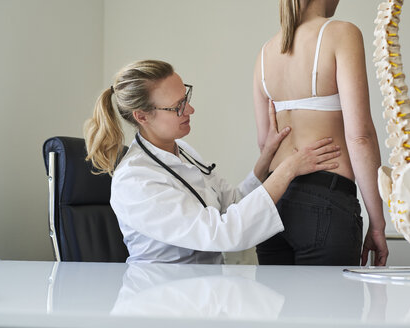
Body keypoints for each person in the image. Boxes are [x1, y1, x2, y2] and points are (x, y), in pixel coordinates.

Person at [83, 59, 341, 264]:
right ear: (142, 116)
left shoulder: (181, 150)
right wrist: (289, 169)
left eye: (187, 98)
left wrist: (266, 160)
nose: (190, 110)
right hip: (163, 298)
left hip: (202, 289)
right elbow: (223, 232)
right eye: (177, 107)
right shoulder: (135, 180)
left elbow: (233, 203)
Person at [253, 0, 388, 266]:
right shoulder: (341, 33)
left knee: (281, 307)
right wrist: (377, 224)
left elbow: (264, 143)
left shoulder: (265, 52)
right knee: (331, 308)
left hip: (270, 204)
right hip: (325, 203)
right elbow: (360, 137)